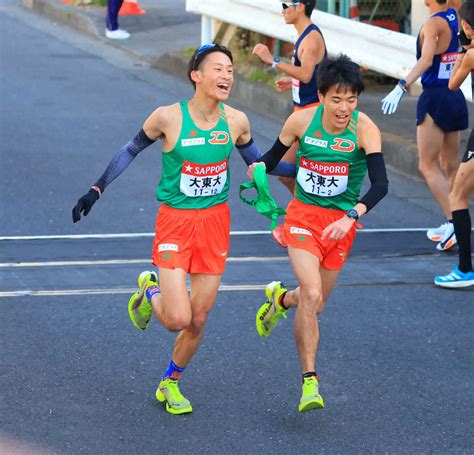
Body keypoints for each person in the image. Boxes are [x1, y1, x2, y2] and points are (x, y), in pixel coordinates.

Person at [71, 44, 293, 415]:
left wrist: (305, 175)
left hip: (215, 224)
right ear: (196, 75)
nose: (227, 76)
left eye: (231, 71)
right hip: (175, 221)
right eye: (219, 69)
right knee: (177, 319)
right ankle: (149, 288)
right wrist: (97, 188)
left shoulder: (236, 121)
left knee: (199, 318)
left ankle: (170, 383)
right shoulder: (167, 118)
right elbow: (130, 150)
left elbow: (260, 162)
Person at [247, 55, 389, 412]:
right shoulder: (300, 121)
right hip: (302, 218)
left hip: (340, 224)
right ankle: (310, 383)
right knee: (311, 293)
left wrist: (351, 216)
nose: (344, 108)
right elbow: (273, 157)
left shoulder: (365, 129)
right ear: (322, 96)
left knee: (315, 302)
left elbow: (381, 185)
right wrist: (259, 169)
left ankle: (280, 300)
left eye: (352, 100)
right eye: (337, 99)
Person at [381, 0, 468, 252]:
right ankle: (454, 219)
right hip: (454, 94)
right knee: (450, 165)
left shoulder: (432, 25)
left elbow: (427, 60)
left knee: (426, 164)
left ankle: (455, 222)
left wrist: (401, 85)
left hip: (434, 98)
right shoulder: (455, 15)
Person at [252, 0, 327, 195]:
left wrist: (273, 60)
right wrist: (292, 81)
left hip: (313, 115)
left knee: (287, 170)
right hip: (303, 113)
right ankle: (307, 215)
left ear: (300, 6)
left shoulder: (311, 38)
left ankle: (307, 216)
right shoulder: (304, 35)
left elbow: (306, 74)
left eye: (286, 5)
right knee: (292, 173)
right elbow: (308, 75)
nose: (283, 10)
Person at [435, 0, 474, 288]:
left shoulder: (471, 55)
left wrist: (462, 51)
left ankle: (464, 270)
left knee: (457, 195)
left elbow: (452, 84)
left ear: (466, 25)